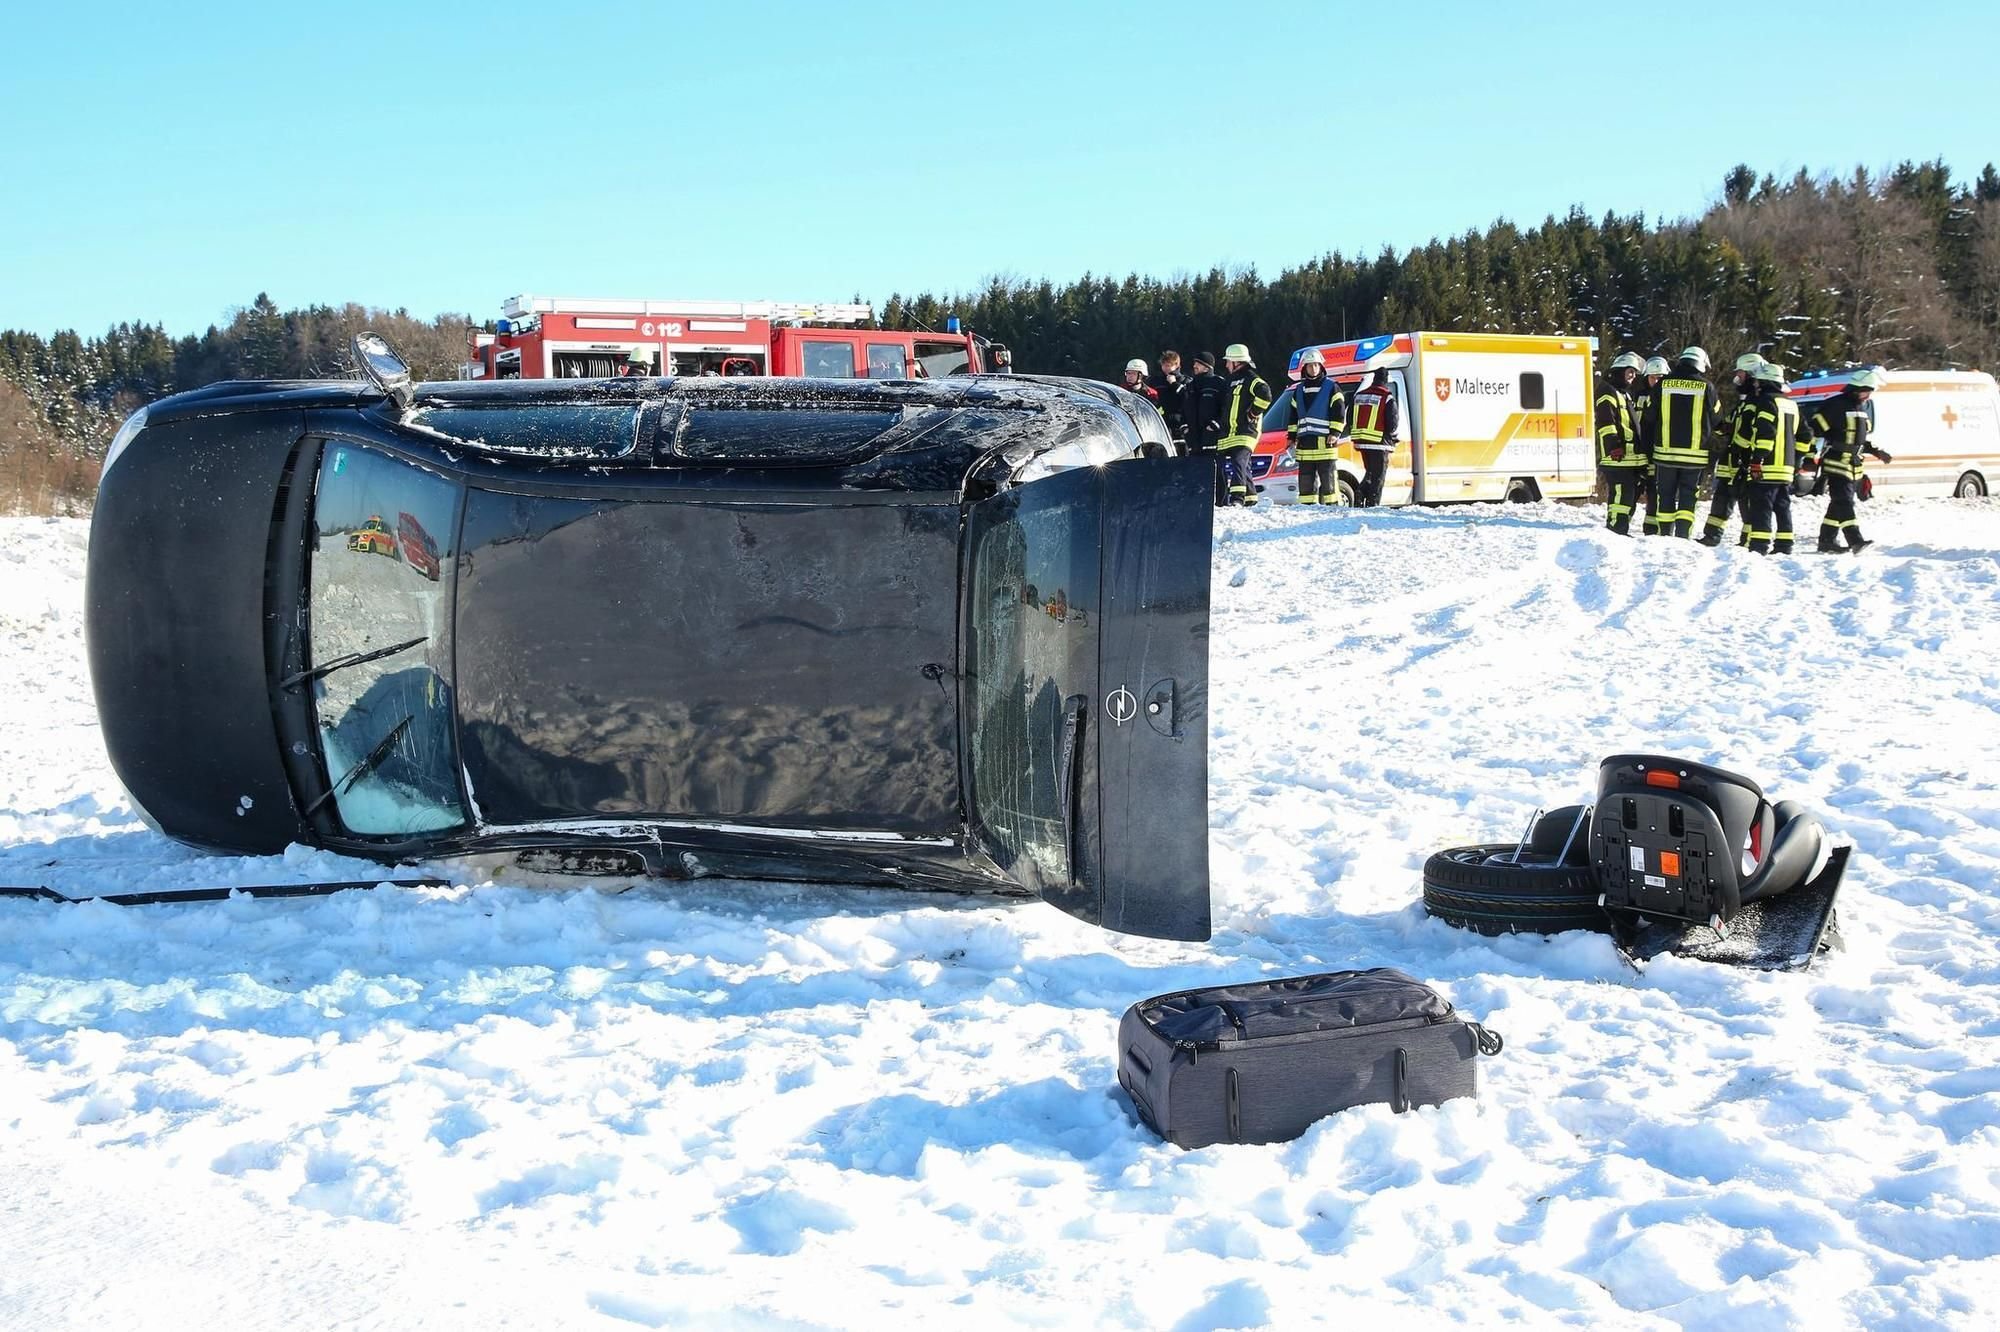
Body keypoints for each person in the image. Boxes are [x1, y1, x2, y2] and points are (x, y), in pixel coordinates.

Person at [1807, 368, 1894, 553]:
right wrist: (1809, 456)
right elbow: (1814, 431)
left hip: (1854, 464)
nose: (1868, 396)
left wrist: (1876, 452)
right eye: (1867, 392)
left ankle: (1826, 541)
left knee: (1838, 504)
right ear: (1858, 388)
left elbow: (1859, 438)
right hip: (1837, 463)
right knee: (1845, 502)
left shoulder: (1859, 408)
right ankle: (1856, 541)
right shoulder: (1835, 405)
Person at [1644, 345, 1719, 538]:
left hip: (1665, 456)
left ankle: (1665, 534)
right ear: (1701, 364)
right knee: (1688, 497)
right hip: (1694, 458)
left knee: (1665, 495)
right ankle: (1683, 535)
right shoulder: (1707, 387)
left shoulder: (1663, 384)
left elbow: (1649, 417)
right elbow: (1718, 417)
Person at [1740, 361, 1807, 554]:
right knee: (1783, 507)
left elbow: (1766, 434)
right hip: (1786, 469)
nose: (1756, 385)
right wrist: (1796, 460)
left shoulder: (1766, 403)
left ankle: (1759, 546)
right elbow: (1805, 435)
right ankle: (1784, 545)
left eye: (1758, 382)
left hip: (1766, 467)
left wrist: (1756, 460)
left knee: (1762, 508)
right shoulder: (1792, 405)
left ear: (1764, 383)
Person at [1701, 352, 1766, 546]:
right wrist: (1720, 425)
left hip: (1745, 461)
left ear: (1752, 374)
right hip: (1731, 461)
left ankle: (1747, 541)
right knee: (1721, 500)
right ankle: (1711, 535)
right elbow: (1731, 425)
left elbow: (1753, 432)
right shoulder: (1744, 402)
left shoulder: (1760, 402)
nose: (1737, 378)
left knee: (1748, 504)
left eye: (1741, 373)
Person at [1279, 347, 1349, 504]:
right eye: (1310, 365)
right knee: (1305, 480)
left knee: (1328, 478)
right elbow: (1293, 416)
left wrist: (1335, 433)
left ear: (1321, 366)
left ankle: (1333, 507)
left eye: (1316, 365)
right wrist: (1291, 437)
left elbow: (1339, 411)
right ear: (1305, 368)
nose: (1313, 368)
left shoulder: (1331, 387)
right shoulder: (1298, 390)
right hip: (1304, 443)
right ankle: (1307, 508)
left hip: (1325, 442)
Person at [1596, 352, 1647, 534]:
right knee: (1620, 496)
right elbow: (1606, 422)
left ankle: (1620, 528)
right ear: (1619, 371)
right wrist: (1613, 446)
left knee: (1629, 496)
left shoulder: (1624, 394)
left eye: (1634, 372)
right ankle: (1616, 529)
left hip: (1629, 458)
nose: (1632, 376)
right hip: (1617, 457)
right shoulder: (1607, 391)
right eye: (1629, 372)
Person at [1217, 343, 1271, 507]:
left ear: (1237, 362)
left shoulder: (1251, 378)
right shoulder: (1230, 381)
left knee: (1239, 461)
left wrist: (1253, 412)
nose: (1226, 365)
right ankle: (1251, 498)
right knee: (1242, 464)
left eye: (1229, 361)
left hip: (1246, 430)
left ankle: (1237, 498)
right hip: (1229, 433)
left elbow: (1265, 394)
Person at [1348, 365, 1400, 507]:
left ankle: (1361, 492)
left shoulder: (1359, 395)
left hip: (1362, 442)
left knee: (1370, 472)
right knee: (1378, 476)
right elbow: (1392, 423)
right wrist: (1393, 437)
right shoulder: (1387, 397)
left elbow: (1349, 417)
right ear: (1386, 379)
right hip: (1380, 443)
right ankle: (1372, 503)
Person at [1183, 351, 1230, 503]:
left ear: (1207, 366)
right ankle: (1198, 502)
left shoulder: (1219, 383)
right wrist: (1185, 427)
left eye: (1198, 363)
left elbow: (1227, 408)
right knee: (1196, 471)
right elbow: (1183, 408)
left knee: (1217, 470)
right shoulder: (1190, 385)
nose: (1194, 366)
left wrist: (1216, 424)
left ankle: (1221, 501)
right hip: (1194, 438)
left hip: (1212, 436)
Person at [1638, 356, 1670, 534]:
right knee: (1644, 488)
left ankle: (1653, 526)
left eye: (1660, 377)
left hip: (1661, 450)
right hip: (1642, 449)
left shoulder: (1670, 396)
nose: (1656, 381)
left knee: (1657, 489)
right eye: (1653, 377)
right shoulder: (1638, 396)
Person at [1151, 350, 1189, 444]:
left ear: (1176, 365)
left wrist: (1174, 384)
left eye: (1168, 365)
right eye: (1163, 365)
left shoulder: (1185, 381)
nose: (1165, 368)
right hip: (1162, 422)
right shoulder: (1156, 381)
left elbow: (1187, 399)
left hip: (1180, 423)